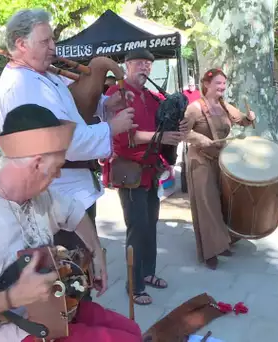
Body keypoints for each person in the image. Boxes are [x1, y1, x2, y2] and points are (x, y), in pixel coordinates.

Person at [0, 104, 142, 342]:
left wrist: (96, 251)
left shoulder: (40, 196)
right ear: (35, 164)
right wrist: (12, 297)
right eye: (55, 169)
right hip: (13, 335)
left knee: (131, 331)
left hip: (54, 313)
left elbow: (74, 211)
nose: (58, 176)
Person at [0, 8, 135, 290]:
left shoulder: (41, 75)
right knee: (71, 285)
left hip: (72, 196)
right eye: (44, 41)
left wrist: (105, 106)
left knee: (81, 276)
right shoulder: (23, 85)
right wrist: (111, 128)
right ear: (21, 44)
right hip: (59, 197)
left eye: (52, 40)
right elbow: (62, 141)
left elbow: (68, 109)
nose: (53, 48)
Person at [104, 49, 188, 305]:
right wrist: (159, 137)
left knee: (150, 225)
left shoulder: (151, 98)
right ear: (127, 66)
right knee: (136, 228)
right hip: (129, 170)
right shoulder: (116, 95)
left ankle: (148, 273)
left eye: (149, 65)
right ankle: (134, 284)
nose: (145, 68)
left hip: (151, 170)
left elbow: (163, 127)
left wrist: (179, 128)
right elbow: (121, 136)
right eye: (140, 63)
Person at [184, 68, 255, 270]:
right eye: (218, 83)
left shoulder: (223, 105)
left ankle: (222, 243)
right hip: (201, 161)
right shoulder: (194, 108)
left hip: (221, 161)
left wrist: (249, 116)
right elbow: (182, 132)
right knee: (207, 206)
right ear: (206, 85)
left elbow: (242, 119)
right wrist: (200, 138)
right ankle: (209, 253)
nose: (222, 87)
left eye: (224, 83)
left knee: (223, 203)